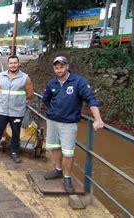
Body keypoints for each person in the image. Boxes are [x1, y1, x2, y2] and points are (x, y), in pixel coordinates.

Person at [42, 56, 104, 193]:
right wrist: (54, 111)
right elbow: (46, 99)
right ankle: (58, 170)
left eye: (61, 67)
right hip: (52, 121)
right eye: (56, 68)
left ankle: (67, 177)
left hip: (69, 124)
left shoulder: (79, 82)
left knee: (68, 152)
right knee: (54, 146)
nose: (59, 70)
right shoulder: (52, 83)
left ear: (67, 66)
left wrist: (98, 119)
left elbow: (91, 100)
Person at [0, 55, 34, 163]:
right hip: (2, 110)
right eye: (11, 63)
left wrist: (19, 101)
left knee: (15, 133)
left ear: (19, 64)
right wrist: (3, 98)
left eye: (15, 63)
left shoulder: (25, 78)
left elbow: (30, 94)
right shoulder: (1, 76)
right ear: (8, 64)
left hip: (17, 111)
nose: (13, 65)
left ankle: (15, 153)